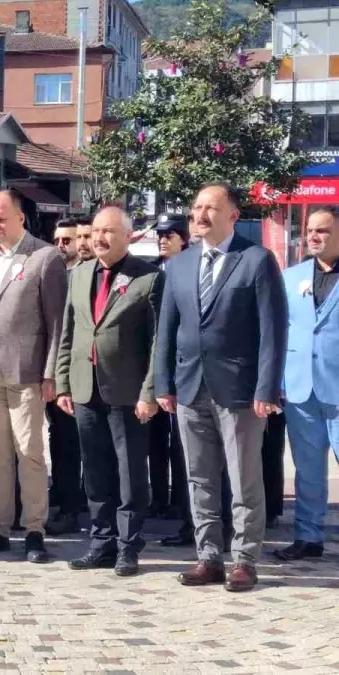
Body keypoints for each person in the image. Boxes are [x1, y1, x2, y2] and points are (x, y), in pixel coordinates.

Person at [154, 183, 288, 593]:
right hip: (190, 386)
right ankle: (208, 556)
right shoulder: (179, 265)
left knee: (245, 478)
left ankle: (245, 559)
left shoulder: (256, 260)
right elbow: (167, 330)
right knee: (200, 477)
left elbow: (273, 330)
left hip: (241, 390)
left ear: (233, 214)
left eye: (210, 207)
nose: (199, 214)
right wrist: (164, 381)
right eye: (196, 207)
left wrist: (267, 387)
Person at [0, 188, 67, 564]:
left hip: (28, 371)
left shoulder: (44, 257)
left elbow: (57, 322)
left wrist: (52, 372)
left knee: (31, 452)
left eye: (1, 218)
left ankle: (34, 528)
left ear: (21, 217)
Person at [55, 207, 163, 577]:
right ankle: (100, 543)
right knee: (97, 473)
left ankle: (128, 546)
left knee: (131, 474)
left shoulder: (148, 278)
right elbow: (68, 333)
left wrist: (149, 392)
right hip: (86, 390)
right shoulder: (80, 274)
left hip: (128, 393)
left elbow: (156, 343)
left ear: (128, 236)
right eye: (95, 231)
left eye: (109, 232)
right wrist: (63, 382)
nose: (99, 238)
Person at [274, 207, 339, 561]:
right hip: (300, 390)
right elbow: (279, 331)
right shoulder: (290, 277)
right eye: (310, 230)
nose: (313, 236)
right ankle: (308, 537)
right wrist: (278, 382)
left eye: (323, 230)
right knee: (307, 469)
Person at [150, 213, 194, 545]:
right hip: (154, 371)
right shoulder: (152, 271)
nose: (163, 239)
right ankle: (158, 500)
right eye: (161, 234)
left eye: (170, 234)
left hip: (187, 372)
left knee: (184, 449)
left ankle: (185, 510)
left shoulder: (194, 269)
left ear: (185, 237)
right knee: (155, 442)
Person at [46, 217, 85, 536]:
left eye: (67, 240)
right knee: (59, 441)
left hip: (84, 375)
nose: (62, 246)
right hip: (55, 373)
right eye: (57, 240)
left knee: (74, 445)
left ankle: (73, 506)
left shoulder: (85, 276)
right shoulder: (53, 275)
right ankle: (62, 495)